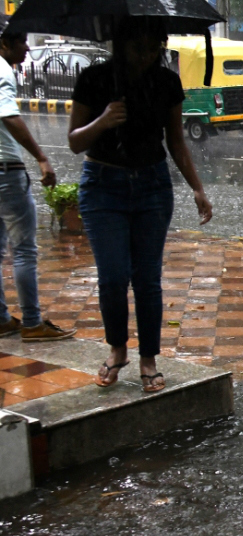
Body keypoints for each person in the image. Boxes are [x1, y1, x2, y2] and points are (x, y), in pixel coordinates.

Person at [67, 17, 213, 392]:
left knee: (147, 280)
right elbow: (75, 141)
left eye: (155, 47)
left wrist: (197, 189)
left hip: (152, 188)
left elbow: (176, 142)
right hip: (103, 187)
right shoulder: (94, 79)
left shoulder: (166, 83)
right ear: (121, 44)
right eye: (140, 47)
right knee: (113, 277)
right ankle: (118, 349)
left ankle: (148, 358)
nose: (148, 55)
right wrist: (103, 121)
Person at [0, 27, 76, 343]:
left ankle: (2, 320)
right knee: (24, 250)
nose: (27, 50)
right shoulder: (3, 70)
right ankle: (32, 322)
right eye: (22, 43)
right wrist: (42, 157)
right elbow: (8, 115)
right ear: (4, 43)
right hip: (6, 171)